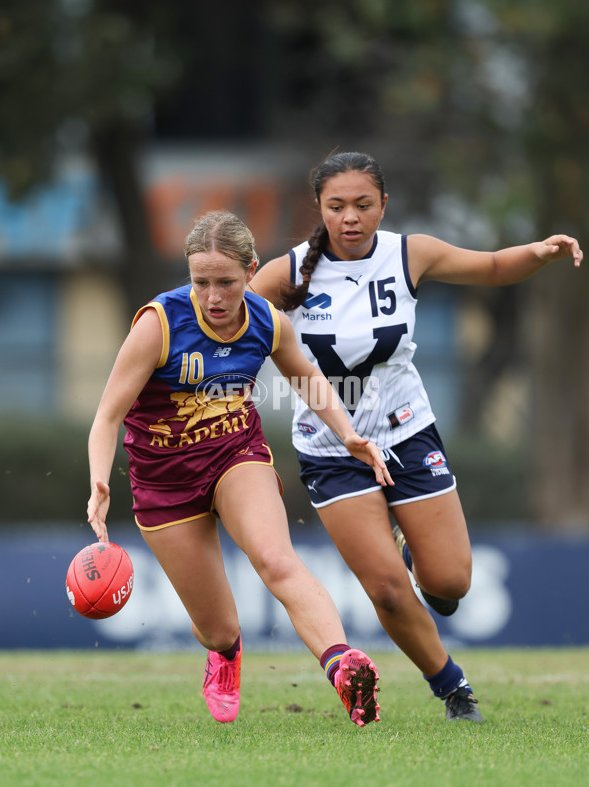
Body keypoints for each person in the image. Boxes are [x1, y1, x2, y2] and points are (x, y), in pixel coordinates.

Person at [249, 151, 583, 723]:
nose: (350, 218)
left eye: (362, 204)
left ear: (384, 206)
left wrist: (539, 252)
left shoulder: (410, 253)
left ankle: (412, 547)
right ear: (319, 209)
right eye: (336, 206)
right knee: (385, 588)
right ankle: (454, 690)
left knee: (449, 584)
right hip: (331, 448)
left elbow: (495, 267)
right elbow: (233, 336)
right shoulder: (284, 275)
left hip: (406, 433)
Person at [86, 209, 393, 727]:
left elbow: (311, 381)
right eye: (200, 282)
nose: (213, 297)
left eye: (226, 282)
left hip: (235, 455)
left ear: (251, 271)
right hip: (163, 483)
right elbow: (107, 416)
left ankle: (344, 666)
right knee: (218, 628)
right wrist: (98, 479)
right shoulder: (157, 326)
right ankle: (225, 656)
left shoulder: (267, 322)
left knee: (277, 560)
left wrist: (349, 435)